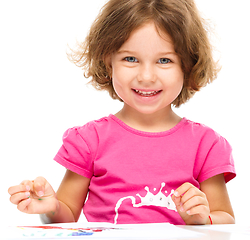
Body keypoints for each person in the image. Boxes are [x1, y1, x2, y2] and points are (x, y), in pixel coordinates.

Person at [8, 0, 236, 225]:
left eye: (164, 60)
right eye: (130, 59)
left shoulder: (206, 145)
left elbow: (224, 218)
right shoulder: (89, 141)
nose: (146, 76)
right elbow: (66, 215)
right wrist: (51, 207)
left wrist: (202, 218)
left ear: (187, 66)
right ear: (108, 62)